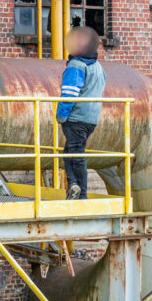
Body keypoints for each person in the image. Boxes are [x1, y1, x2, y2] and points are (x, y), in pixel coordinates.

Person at [56, 26, 106, 200]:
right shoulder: (98, 66)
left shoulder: (77, 65)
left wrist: (61, 115)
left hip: (76, 117)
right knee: (70, 151)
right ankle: (73, 186)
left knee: (76, 154)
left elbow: (69, 93)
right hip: (91, 118)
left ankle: (80, 193)